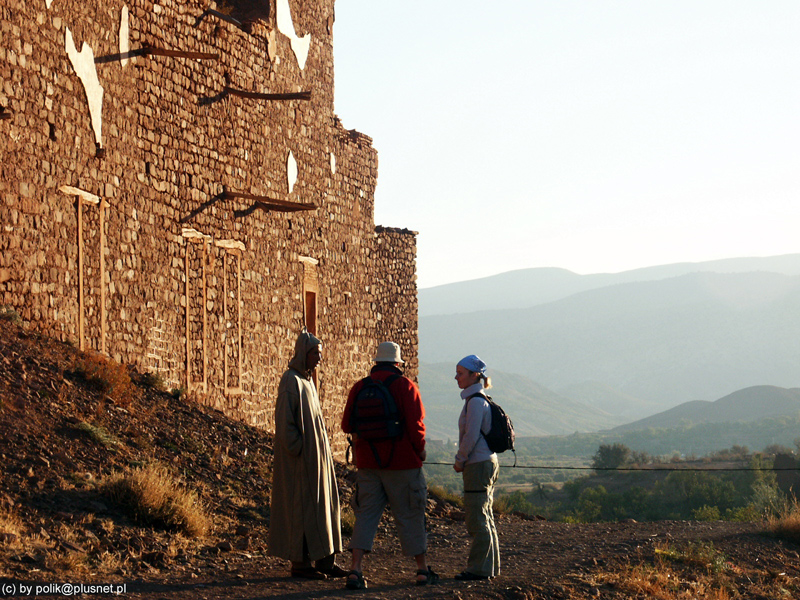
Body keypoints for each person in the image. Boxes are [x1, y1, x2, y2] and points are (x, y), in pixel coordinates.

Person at [340, 341, 439, 589]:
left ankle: (355, 569)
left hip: (367, 463)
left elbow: (346, 425)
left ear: (376, 362)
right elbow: (416, 426)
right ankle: (421, 570)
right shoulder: (406, 386)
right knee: (410, 514)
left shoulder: (359, 387)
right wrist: (420, 450)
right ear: (397, 363)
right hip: (403, 463)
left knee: (366, 515)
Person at [268, 331, 348, 579]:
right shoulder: (290, 380)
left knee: (324, 507)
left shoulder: (308, 381)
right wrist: (300, 451)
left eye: (320, 354)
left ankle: (325, 560)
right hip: (301, 464)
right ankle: (301, 565)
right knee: (301, 510)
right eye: (316, 353)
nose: (319, 359)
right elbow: (285, 423)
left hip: (317, 462)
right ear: (304, 352)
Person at [453, 354, 500, 581]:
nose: (456, 378)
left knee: (477, 518)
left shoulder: (475, 402)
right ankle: (489, 567)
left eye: (460, 374)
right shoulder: (480, 400)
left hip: (477, 464)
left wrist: (460, 460)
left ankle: (478, 569)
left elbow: (470, 437)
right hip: (487, 462)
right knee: (485, 515)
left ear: (474, 375)